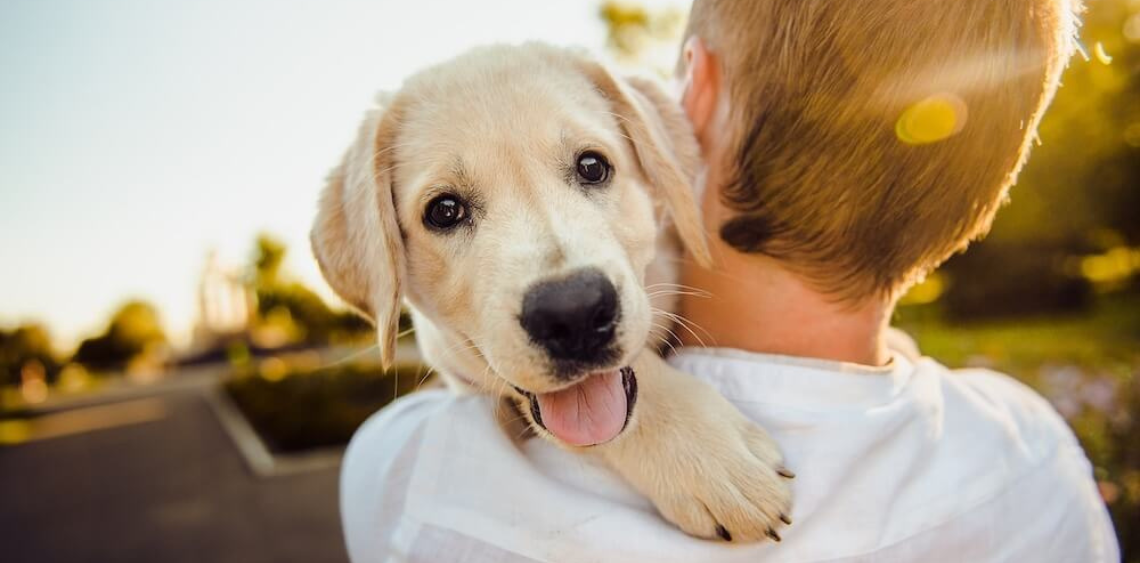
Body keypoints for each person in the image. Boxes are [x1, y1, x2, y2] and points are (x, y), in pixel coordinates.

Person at [339, 0, 1120, 560]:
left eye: (589, 168)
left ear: (690, 101)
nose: (566, 286)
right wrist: (649, 414)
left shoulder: (411, 481)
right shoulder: (1035, 456)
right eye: (447, 210)